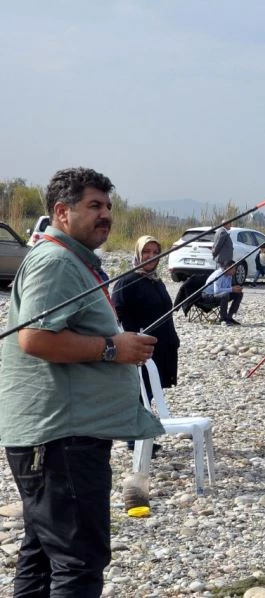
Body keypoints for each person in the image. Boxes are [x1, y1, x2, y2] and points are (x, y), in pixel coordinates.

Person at [0, 167, 164, 597]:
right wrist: (114, 348)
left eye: (108, 206)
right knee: (79, 561)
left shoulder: (67, 258)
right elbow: (35, 339)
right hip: (60, 438)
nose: (105, 215)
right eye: (94, 206)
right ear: (62, 211)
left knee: (42, 553)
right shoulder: (55, 261)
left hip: (58, 436)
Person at [112, 235, 180, 390]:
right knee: (139, 394)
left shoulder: (156, 281)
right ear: (138, 253)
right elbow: (118, 315)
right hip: (141, 353)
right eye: (146, 251)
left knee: (153, 393)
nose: (152, 256)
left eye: (156, 252)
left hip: (161, 350)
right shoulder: (127, 282)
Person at [203, 260, 243, 326]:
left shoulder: (229, 275)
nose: (235, 271)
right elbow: (216, 291)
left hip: (219, 295)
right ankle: (223, 319)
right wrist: (232, 289)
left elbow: (228, 288)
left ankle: (229, 317)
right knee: (225, 295)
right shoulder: (219, 274)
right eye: (234, 269)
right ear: (227, 268)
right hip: (208, 295)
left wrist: (235, 288)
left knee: (239, 294)